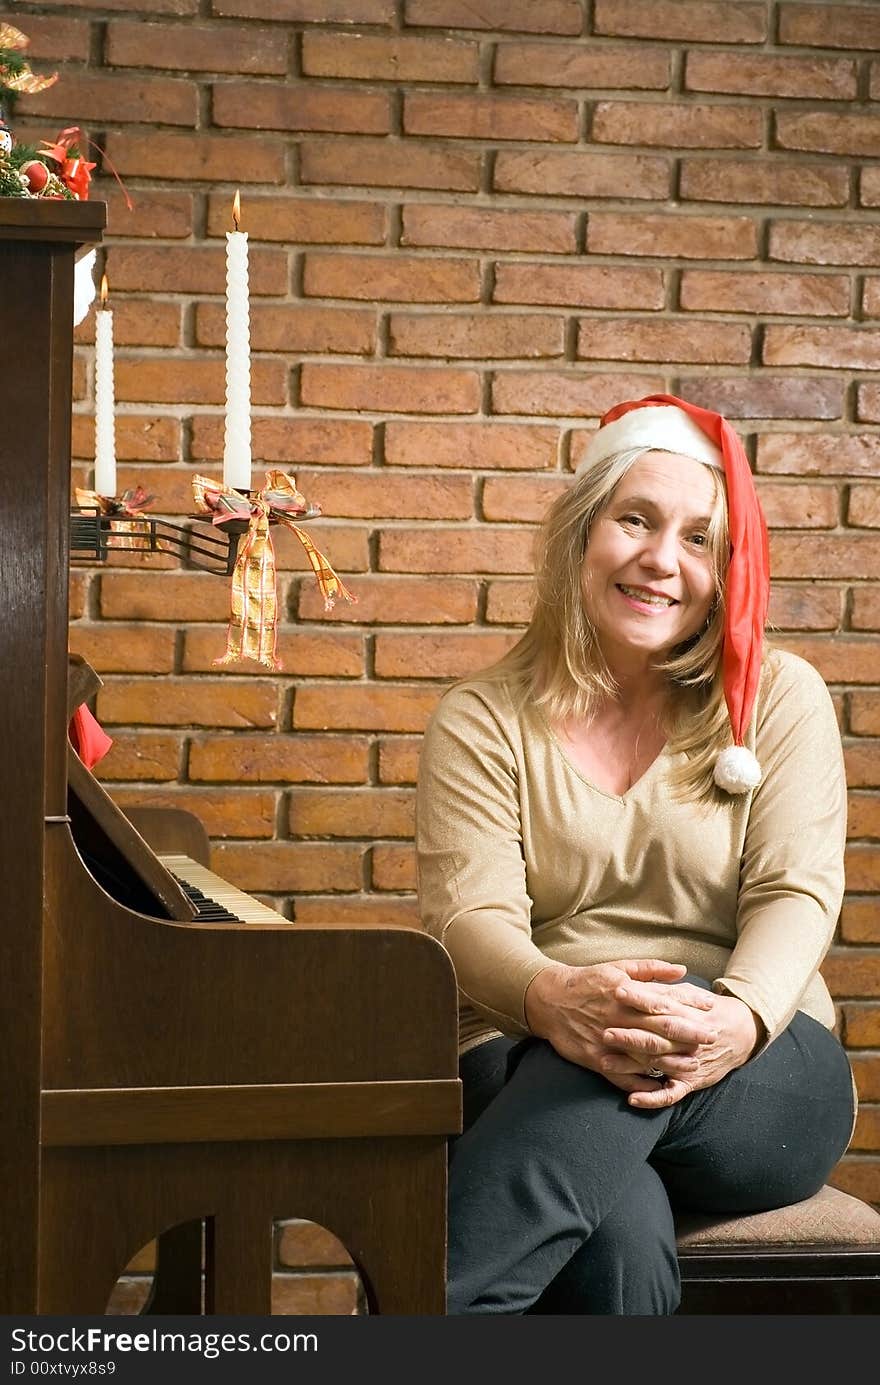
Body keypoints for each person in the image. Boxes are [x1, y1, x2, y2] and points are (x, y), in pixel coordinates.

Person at [416, 393, 857, 1315]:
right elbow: (470, 921)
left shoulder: (779, 697)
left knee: (615, 1046)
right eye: (636, 520)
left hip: (761, 1068)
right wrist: (557, 998)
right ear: (582, 534)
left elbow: (797, 894)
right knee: (617, 1234)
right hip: (530, 1046)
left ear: (725, 568)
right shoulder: (483, 718)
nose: (664, 559)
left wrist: (736, 1015)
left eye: (700, 538)